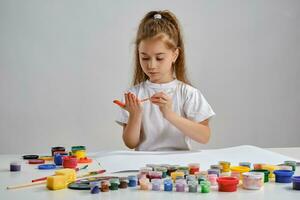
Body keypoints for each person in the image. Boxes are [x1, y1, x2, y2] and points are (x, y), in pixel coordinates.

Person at [115, 10, 215, 151]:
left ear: (175, 55)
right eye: (144, 57)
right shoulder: (134, 94)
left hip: (179, 169)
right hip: (143, 167)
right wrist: (135, 115)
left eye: (160, 58)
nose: (151, 65)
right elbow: (130, 143)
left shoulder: (187, 93)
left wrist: (169, 114)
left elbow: (204, 137)